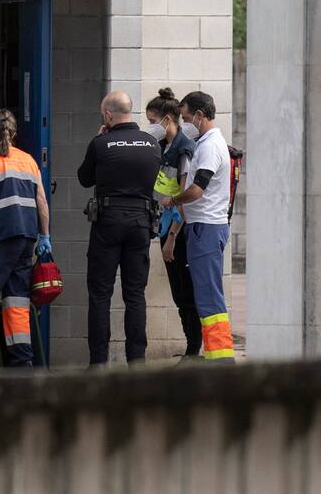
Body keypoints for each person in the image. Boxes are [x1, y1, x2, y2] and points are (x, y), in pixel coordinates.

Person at [77, 90, 161, 367]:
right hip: (140, 221)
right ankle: (136, 362)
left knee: (100, 294)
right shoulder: (152, 144)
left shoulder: (101, 143)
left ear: (108, 115)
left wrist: (99, 139)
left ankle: (98, 364)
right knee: (135, 294)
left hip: (108, 221)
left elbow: (84, 178)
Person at [0, 109, 50, 367]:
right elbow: (41, 201)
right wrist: (45, 235)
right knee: (17, 299)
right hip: (26, 237)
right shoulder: (29, 160)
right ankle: (22, 361)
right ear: (13, 133)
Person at [161, 91, 235, 363]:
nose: (185, 123)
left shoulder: (210, 146)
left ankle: (221, 360)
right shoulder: (205, 143)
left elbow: (196, 190)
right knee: (205, 296)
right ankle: (217, 357)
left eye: (186, 117)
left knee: (209, 298)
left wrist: (173, 200)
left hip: (206, 228)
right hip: (202, 228)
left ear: (200, 115)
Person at [145, 88, 200, 360]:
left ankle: (193, 349)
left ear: (167, 119)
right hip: (166, 227)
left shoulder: (184, 149)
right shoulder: (164, 147)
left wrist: (172, 238)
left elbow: (184, 197)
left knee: (186, 293)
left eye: (152, 121)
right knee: (179, 293)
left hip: (180, 232)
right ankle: (191, 349)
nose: (150, 127)